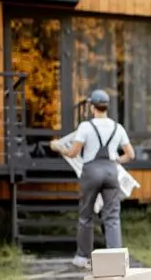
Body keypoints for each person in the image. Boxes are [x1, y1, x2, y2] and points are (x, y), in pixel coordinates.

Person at [50, 89, 136, 269]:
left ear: (92, 107)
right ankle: (115, 259)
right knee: (112, 216)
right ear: (107, 107)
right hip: (111, 172)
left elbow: (73, 153)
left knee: (86, 216)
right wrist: (114, 161)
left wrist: (58, 147)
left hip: (91, 172)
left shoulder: (86, 127)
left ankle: (83, 258)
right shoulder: (117, 127)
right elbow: (130, 154)